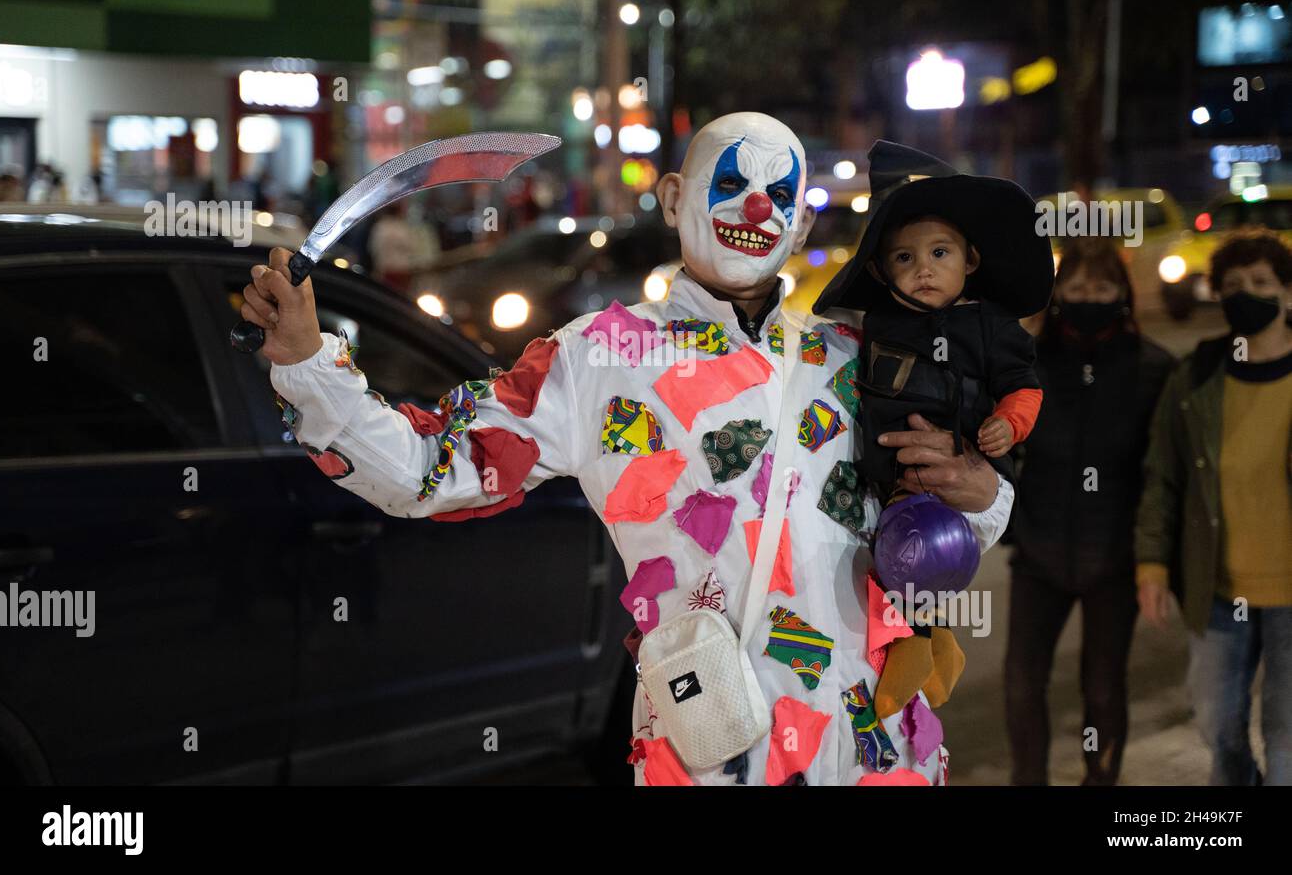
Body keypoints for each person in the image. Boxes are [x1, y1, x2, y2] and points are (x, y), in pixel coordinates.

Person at [241, 112, 1014, 786]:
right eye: (732, 183)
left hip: (875, 745)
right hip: (715, 749)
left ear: (803, 228)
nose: (756, 209)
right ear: (676, 199)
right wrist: (311, 364)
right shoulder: (598, 360)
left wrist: (988, 499)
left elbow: (938, 516)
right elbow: (426, 469)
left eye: (780, 196)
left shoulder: (852, 357)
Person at [810, 140, 1053, 718]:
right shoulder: (867, 330)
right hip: (883, 476)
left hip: (958, 469)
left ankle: (917, 651)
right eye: (903, 259)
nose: (923, 269)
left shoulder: (991, 326)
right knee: (893, 559)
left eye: (940, 252)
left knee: (920, 560)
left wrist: (1007, 425)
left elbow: (1026, 385)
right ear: (877, 269)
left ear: (970, 261)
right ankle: (927, 646)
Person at [1005, 237, 1175, 785]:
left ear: (1122, 296)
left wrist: (1155, 556)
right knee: (1022, 683)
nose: (1089, 297)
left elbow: (1162, 471)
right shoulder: (1025, 363)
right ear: (1058, 295)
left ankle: (1100, 781)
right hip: (1038, 551)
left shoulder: (1154, 369)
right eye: (1077, 287)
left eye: (1102, 288)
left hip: (1114, 558)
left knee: (1103, 687)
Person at [1135, 228, 1292, 786]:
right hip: (1220, 590)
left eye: (1261, 282)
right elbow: (1163, 479)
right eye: (1233, 285)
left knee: (1285, 736)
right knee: (1218, 724)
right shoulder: (1196, 378)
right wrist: (1152, 566)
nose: (1247, 293)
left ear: (1288, 293)